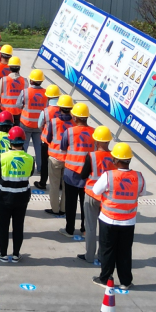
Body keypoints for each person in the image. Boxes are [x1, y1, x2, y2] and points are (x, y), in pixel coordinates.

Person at [91, 143, 144, 288]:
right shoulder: (139, 177)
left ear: (115, 160)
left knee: (107, 250)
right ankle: (126, 281)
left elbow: (96, 191)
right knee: (125, 252)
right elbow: (141, 192)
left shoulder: (108, 176)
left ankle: (105, 279)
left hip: (108, 219)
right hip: (128, 221)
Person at [0, 125, 32, 263]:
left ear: (10, 141)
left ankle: (3, 254)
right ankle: (16, 255)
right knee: (18, 226)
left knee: (3, 227)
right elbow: (30, 174)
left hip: (4, 197)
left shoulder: (3, 157)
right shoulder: (29, 158)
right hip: (22, 198)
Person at [79, 126, 115, 265]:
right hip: (106, 197)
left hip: (92, 194)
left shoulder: (92, 156)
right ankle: (102, 256)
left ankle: (89, 256)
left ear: (97, 141)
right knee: (105, 229)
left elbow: (83, 175)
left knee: (90, 227)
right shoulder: (114, 157)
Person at [59, 102, 95, 241]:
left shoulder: (69, 132)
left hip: (71, 173)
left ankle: (69, 229)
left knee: (70, 203)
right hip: (88, 174)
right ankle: (85, 230)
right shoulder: (94, 132)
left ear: (74, 117)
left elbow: (63, 149)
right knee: (85, 204)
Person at [43, 95, 74, 216]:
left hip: (55, 157)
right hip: (69, 160)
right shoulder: (74, 123)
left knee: (54, 185)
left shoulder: (54, 122)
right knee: (66, 186)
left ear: (59, 107)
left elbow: (48, 139)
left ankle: (55, 209)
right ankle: (64, 209)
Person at [16, 70, 50, 171]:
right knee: (39, 148)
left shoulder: (25, 92)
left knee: (24, 146)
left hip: (25, 124)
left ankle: (23, 167)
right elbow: (47, 108)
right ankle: (40, 168)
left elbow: (18, 105)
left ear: (31, 80)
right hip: (39, 126)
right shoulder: (46, 93)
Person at [33, 85, 62, 189]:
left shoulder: (45, 111)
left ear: (48, 97)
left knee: (45, 163)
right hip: (60, 142)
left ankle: (43, 183)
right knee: (60, 164)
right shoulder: (64, 110)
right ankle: (60, 184)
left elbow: (39, 125)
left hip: (46, 142)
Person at [0, 56, 26, 125]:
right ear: (19, 68)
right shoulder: (24, 81)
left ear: (9, 68)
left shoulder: (4, 80)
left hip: (5, 110)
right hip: (18, 112)